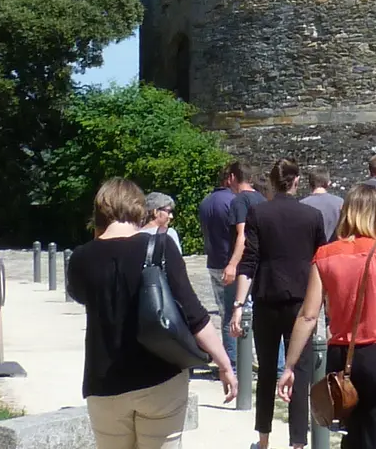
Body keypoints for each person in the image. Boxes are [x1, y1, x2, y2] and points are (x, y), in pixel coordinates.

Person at [72, 178, 238, 449]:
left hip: (104, 382)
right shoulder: (160, 248)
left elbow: (80, 295)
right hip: (160, 378)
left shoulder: (81, 257)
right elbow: (195, 314)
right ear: (139, 209)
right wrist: (224, 364)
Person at [276, 184, 376, 449]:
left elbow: (308, 317)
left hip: (341, 358)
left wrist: (289, 366)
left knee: (353, 435)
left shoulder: (325, 255)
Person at [232, 160, 330, 449]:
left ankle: (263, 439)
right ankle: (298, 442)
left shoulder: (258, 213)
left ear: (273, 183)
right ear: (297, 180)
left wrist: (238, 304)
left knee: (265, 372)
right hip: (301, 302)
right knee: (299, 372)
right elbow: (320, 261)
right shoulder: (312, 216)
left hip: (266, 297)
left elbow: (248, 261)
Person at [199, 164, 244, 370]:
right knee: (234, 313)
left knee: (224, 311)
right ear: (230, 179)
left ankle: (231, 358)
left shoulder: (205, 201)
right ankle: (235, 362)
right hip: (230, 264)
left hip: (213, 263)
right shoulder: (233, 202)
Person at [303, 167, 345, 239]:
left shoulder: (302, 205)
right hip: (334, 248)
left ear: (309, 184)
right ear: (328, 183)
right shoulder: (340, 203)